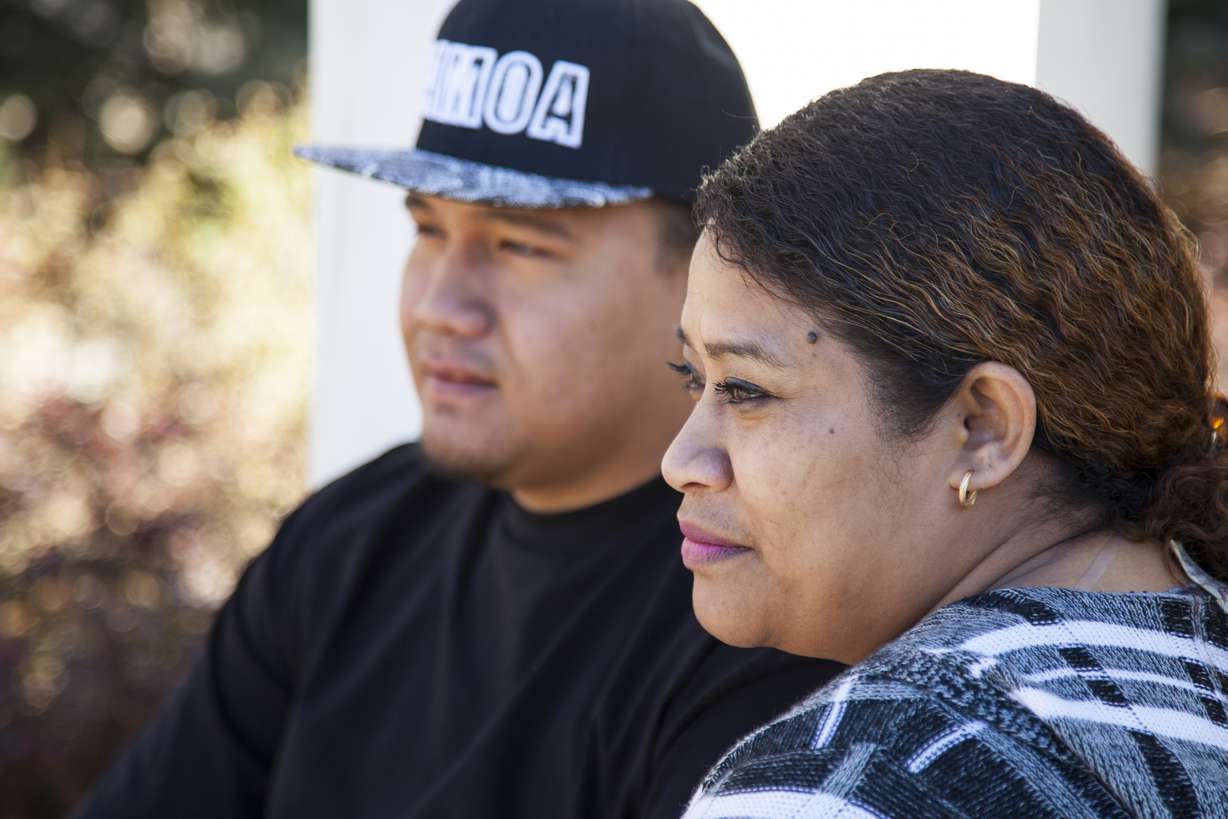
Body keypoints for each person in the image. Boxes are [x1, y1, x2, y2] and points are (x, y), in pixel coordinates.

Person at [72, 2, 842, 817]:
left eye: (521, 245)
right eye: (428, 230)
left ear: (700, 274)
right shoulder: (349, 541)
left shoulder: (766, 612)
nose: (443, 304)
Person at [663, 69, 1228, 817]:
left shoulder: (843, 782)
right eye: (690, 376)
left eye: (746, 389)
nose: (681, 461)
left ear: (983, 429)